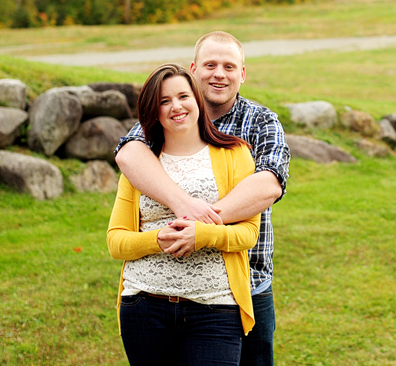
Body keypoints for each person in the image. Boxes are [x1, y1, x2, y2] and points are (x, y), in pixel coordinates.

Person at [115, 31, 290, 366]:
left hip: (248, 281)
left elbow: (269, 183)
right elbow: (129, 154)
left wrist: (199, 226)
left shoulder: (260, 121)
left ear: (242, 74)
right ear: (194, 70)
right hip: (158, 296)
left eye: (228, 66)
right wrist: (183, 203)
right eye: (210, 65)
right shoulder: (170, 114)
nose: (218, 74)